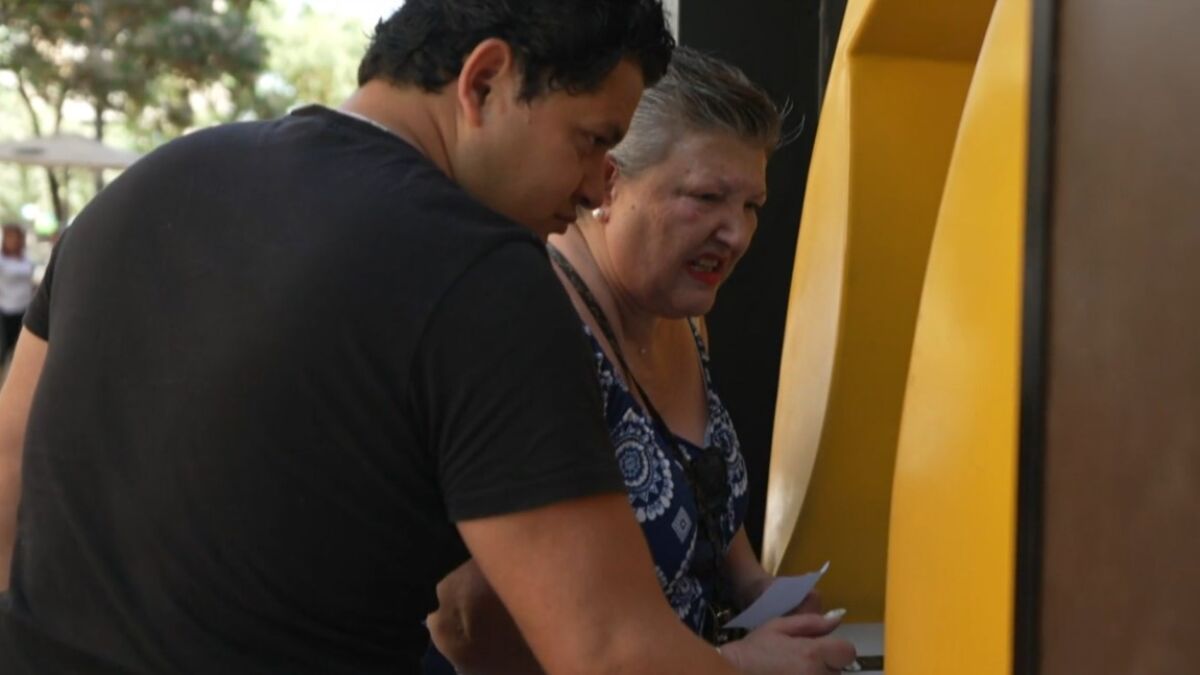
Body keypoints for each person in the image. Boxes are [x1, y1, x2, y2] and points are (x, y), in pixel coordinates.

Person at [0, 3, 766, 673]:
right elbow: (606, 650)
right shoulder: (483, 273)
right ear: (484, 82)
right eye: (592, 140)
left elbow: (10, 475)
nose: (600, 182)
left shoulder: (139, 189)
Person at [428, 48, 857, 674]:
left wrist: (754, 588)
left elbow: (697, 480)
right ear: (608, 182)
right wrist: (735, 665)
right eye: (706, 196)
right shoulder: (533, 327)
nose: (737, 234)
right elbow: (467, 622)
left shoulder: (681, 312)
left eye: (751, 205)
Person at [0, 224, 33, 365]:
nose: (13, 240)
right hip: (6, 310)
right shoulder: (2, 260)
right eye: (10, 237)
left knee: (21, 349)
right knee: (4, 349)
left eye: (16, 237)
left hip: (25, 309)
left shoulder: (26, 259)